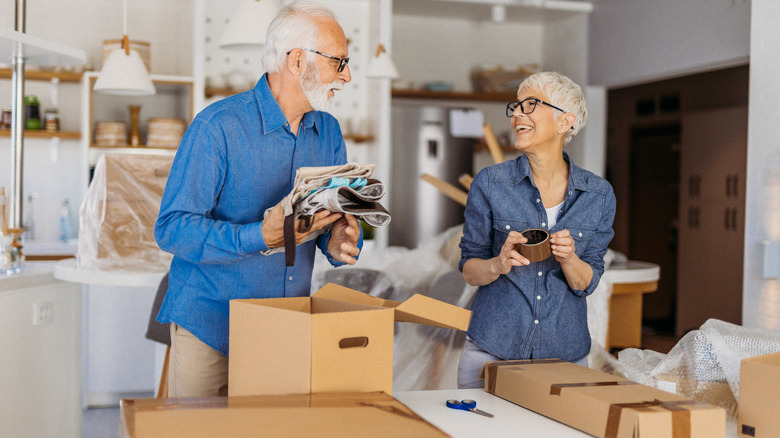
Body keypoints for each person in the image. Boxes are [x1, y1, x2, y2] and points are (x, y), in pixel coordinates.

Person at [154, 1, 362, 398]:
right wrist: (259, 236)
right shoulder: (217, 127)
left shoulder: (329, 131)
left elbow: (326, 218)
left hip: (283, 326)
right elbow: (171, 228)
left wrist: (337, 240)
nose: (347, 75)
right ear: (298, 61)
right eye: (339, 62)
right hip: (210, 323)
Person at [457, 72, 616, 389]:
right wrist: (497, 264)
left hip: (564, 356)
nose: (516, 113)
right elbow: (470, 270)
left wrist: (570, 258)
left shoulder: (599, 195)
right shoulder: (490, 183)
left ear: (564, 122)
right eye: (515, 106)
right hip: (492, 349)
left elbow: (587, 283)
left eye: (529, 105)